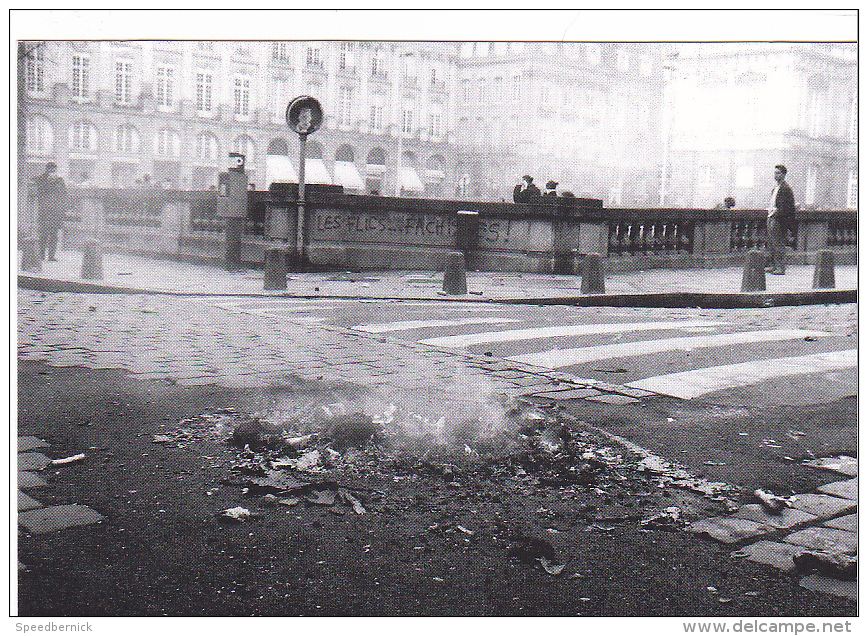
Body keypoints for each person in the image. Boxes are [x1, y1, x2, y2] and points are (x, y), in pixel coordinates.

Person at [766, 164, 796, 275]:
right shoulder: (775, 188)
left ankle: (780, 267)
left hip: (779, 220)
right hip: (771, 217)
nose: (775, 175)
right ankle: (773, 265)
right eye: (775, 173)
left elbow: (788, 208)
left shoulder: (786, 189)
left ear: (783, 174)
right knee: (772, 244)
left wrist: (778, 215)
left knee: (779, 244)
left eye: (778, 173)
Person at [34, 162, 67, 261]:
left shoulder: (59, 180)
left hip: (56, 212)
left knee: (54, 235)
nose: (52, 171)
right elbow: (40, 191)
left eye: (54, 169)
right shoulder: (41, 179)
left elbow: (63, 194)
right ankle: (41, 255)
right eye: (50, 169)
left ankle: (51, 256)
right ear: (47, 169)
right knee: (43, 234)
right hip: (44, 211)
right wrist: (49, 182)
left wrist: (62, 210)